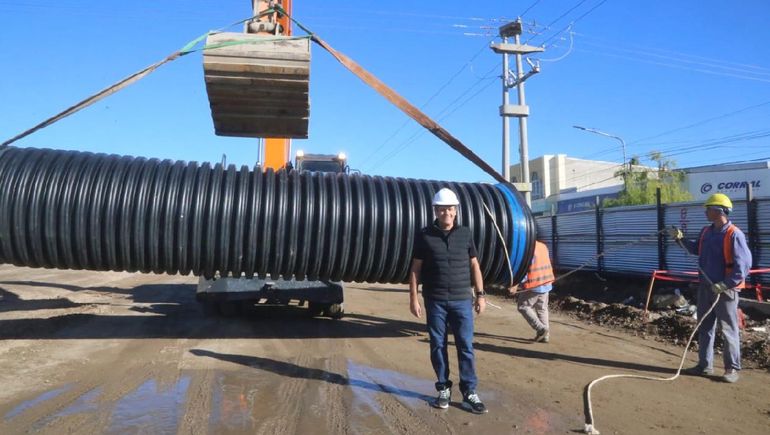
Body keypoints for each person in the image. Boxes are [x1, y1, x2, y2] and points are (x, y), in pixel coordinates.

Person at [408, 187, 488, 414]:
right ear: (435, 211)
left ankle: (469, 392)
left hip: (462, 300)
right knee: (438, 345)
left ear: (456, 210)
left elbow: (475, 265)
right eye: (442, 209)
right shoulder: (424, 235)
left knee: (466, 346)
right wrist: (413, 298)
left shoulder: (465, 233)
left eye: (450, 209)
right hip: (435, 301)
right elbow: (415, 268)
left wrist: (480, 295)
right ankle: (443, 388)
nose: (447, 213)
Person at [668, 193, 752, 383]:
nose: (706, 212)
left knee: (729, 329)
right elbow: (695, 249)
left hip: (725, 290)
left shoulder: (734, 234)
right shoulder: (706, 232)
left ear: (719, 210)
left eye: (708, 208)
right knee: (704, 326)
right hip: (706, 287)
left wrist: (726, 284)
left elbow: (744, 266)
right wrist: (679, 238)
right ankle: (704, 365)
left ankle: (731, 369)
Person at [509, 239, 554, 343]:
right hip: (546, 282)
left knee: (523, 306)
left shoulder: (527, 249)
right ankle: (545, 336)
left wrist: (515, 284)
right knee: (542, 308)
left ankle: (541, 329)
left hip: (534, 284)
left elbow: (524, 269)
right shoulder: (542, 246)